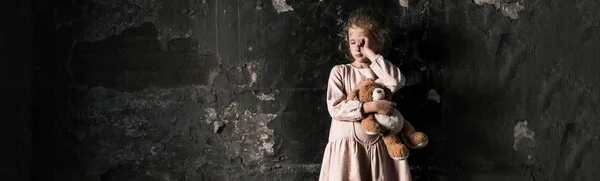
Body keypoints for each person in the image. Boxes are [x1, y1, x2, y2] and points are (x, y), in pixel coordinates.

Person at [318, 7, 410, 181]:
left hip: (379, 146)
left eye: (363, 42)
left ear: (378, 42)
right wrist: (371, 106)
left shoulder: (380, 72)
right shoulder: (340, 71)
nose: (357, 47)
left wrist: (371, 55)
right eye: (353, 42)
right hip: (348, 150)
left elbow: (396, 82)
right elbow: (336, 108)